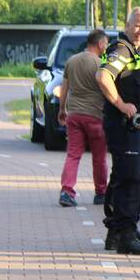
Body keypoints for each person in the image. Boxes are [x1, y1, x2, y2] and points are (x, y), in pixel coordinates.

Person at [97, 8, 140, 256]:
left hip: (134, 128)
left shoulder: (137, 51)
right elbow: (103, 76)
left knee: (123, 178)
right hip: (124, 126)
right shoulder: (121, 49)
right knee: (130, 181)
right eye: (137, 25)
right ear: (128, 24)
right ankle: (126, 237)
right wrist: (121, 105)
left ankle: (116, 232)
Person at [57, 29, 110, 207]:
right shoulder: (101, 64)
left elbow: (64, 87)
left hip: (74, 115)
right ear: (100, 44)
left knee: (73, 155)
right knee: (99, 157)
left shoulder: (72, 61)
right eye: (106, 44)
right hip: (95, 117)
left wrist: (62, 109)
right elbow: (106, 89)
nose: (107, 47)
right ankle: (101, 192)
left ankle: (67, 191)